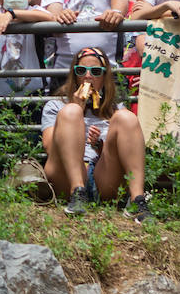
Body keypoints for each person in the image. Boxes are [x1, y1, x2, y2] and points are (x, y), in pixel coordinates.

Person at [41, 47, 151, 220]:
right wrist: (78, 107)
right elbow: (48, 146)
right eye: (81, 70)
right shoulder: (56, 105)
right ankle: (77, 193)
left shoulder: (116, 109)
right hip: (64, 174)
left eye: (96, 71)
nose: (88, 76)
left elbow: (116, 155)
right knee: (71, 112)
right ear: (74, 74)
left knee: (126, 117)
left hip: (102, 174)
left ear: (104, 76)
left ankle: (137, 200)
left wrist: (99, 146)